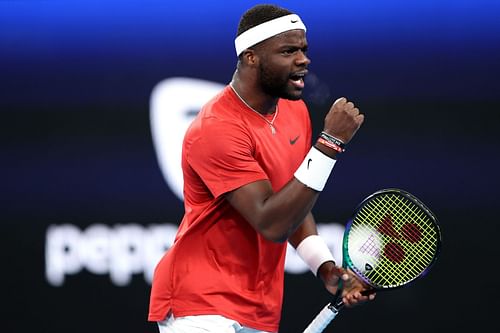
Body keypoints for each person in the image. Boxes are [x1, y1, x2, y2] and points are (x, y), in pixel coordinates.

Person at [149, 4, 375, 333]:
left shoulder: (294, 113)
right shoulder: (216, 128)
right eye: (288, 51)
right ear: (251, 57)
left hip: (259, 311)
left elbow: (292, 202)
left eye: (303, 49)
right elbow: (272, 222)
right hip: (200, 307)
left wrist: (325, 268)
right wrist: (329, 146)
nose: (303, 60)